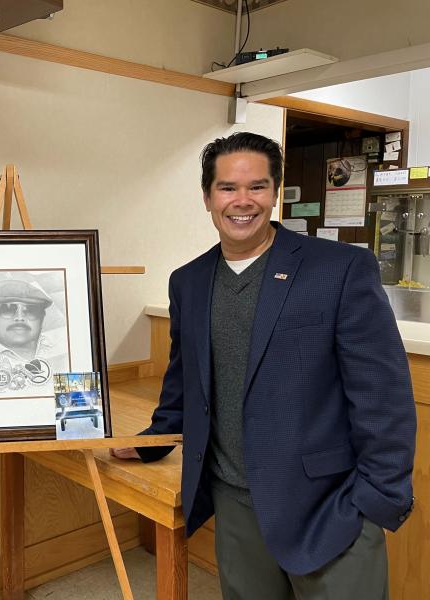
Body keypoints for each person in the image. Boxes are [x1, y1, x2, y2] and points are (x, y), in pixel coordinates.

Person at [112, 132, 416, 599]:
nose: (243, 201)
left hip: (328, 507)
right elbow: (184, 382)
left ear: (274, 193)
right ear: (207, 198)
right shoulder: (189, 281)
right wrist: (152, 443)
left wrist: (375, 500)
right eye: (228, 188)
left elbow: (382, 395)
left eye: (257, 187)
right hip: (233, 503)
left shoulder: (340, 268)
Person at [0, 279, 69, 397]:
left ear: (42, 320)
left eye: (31, 310)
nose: (20, 317)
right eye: (8, 309)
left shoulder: (66, 355)